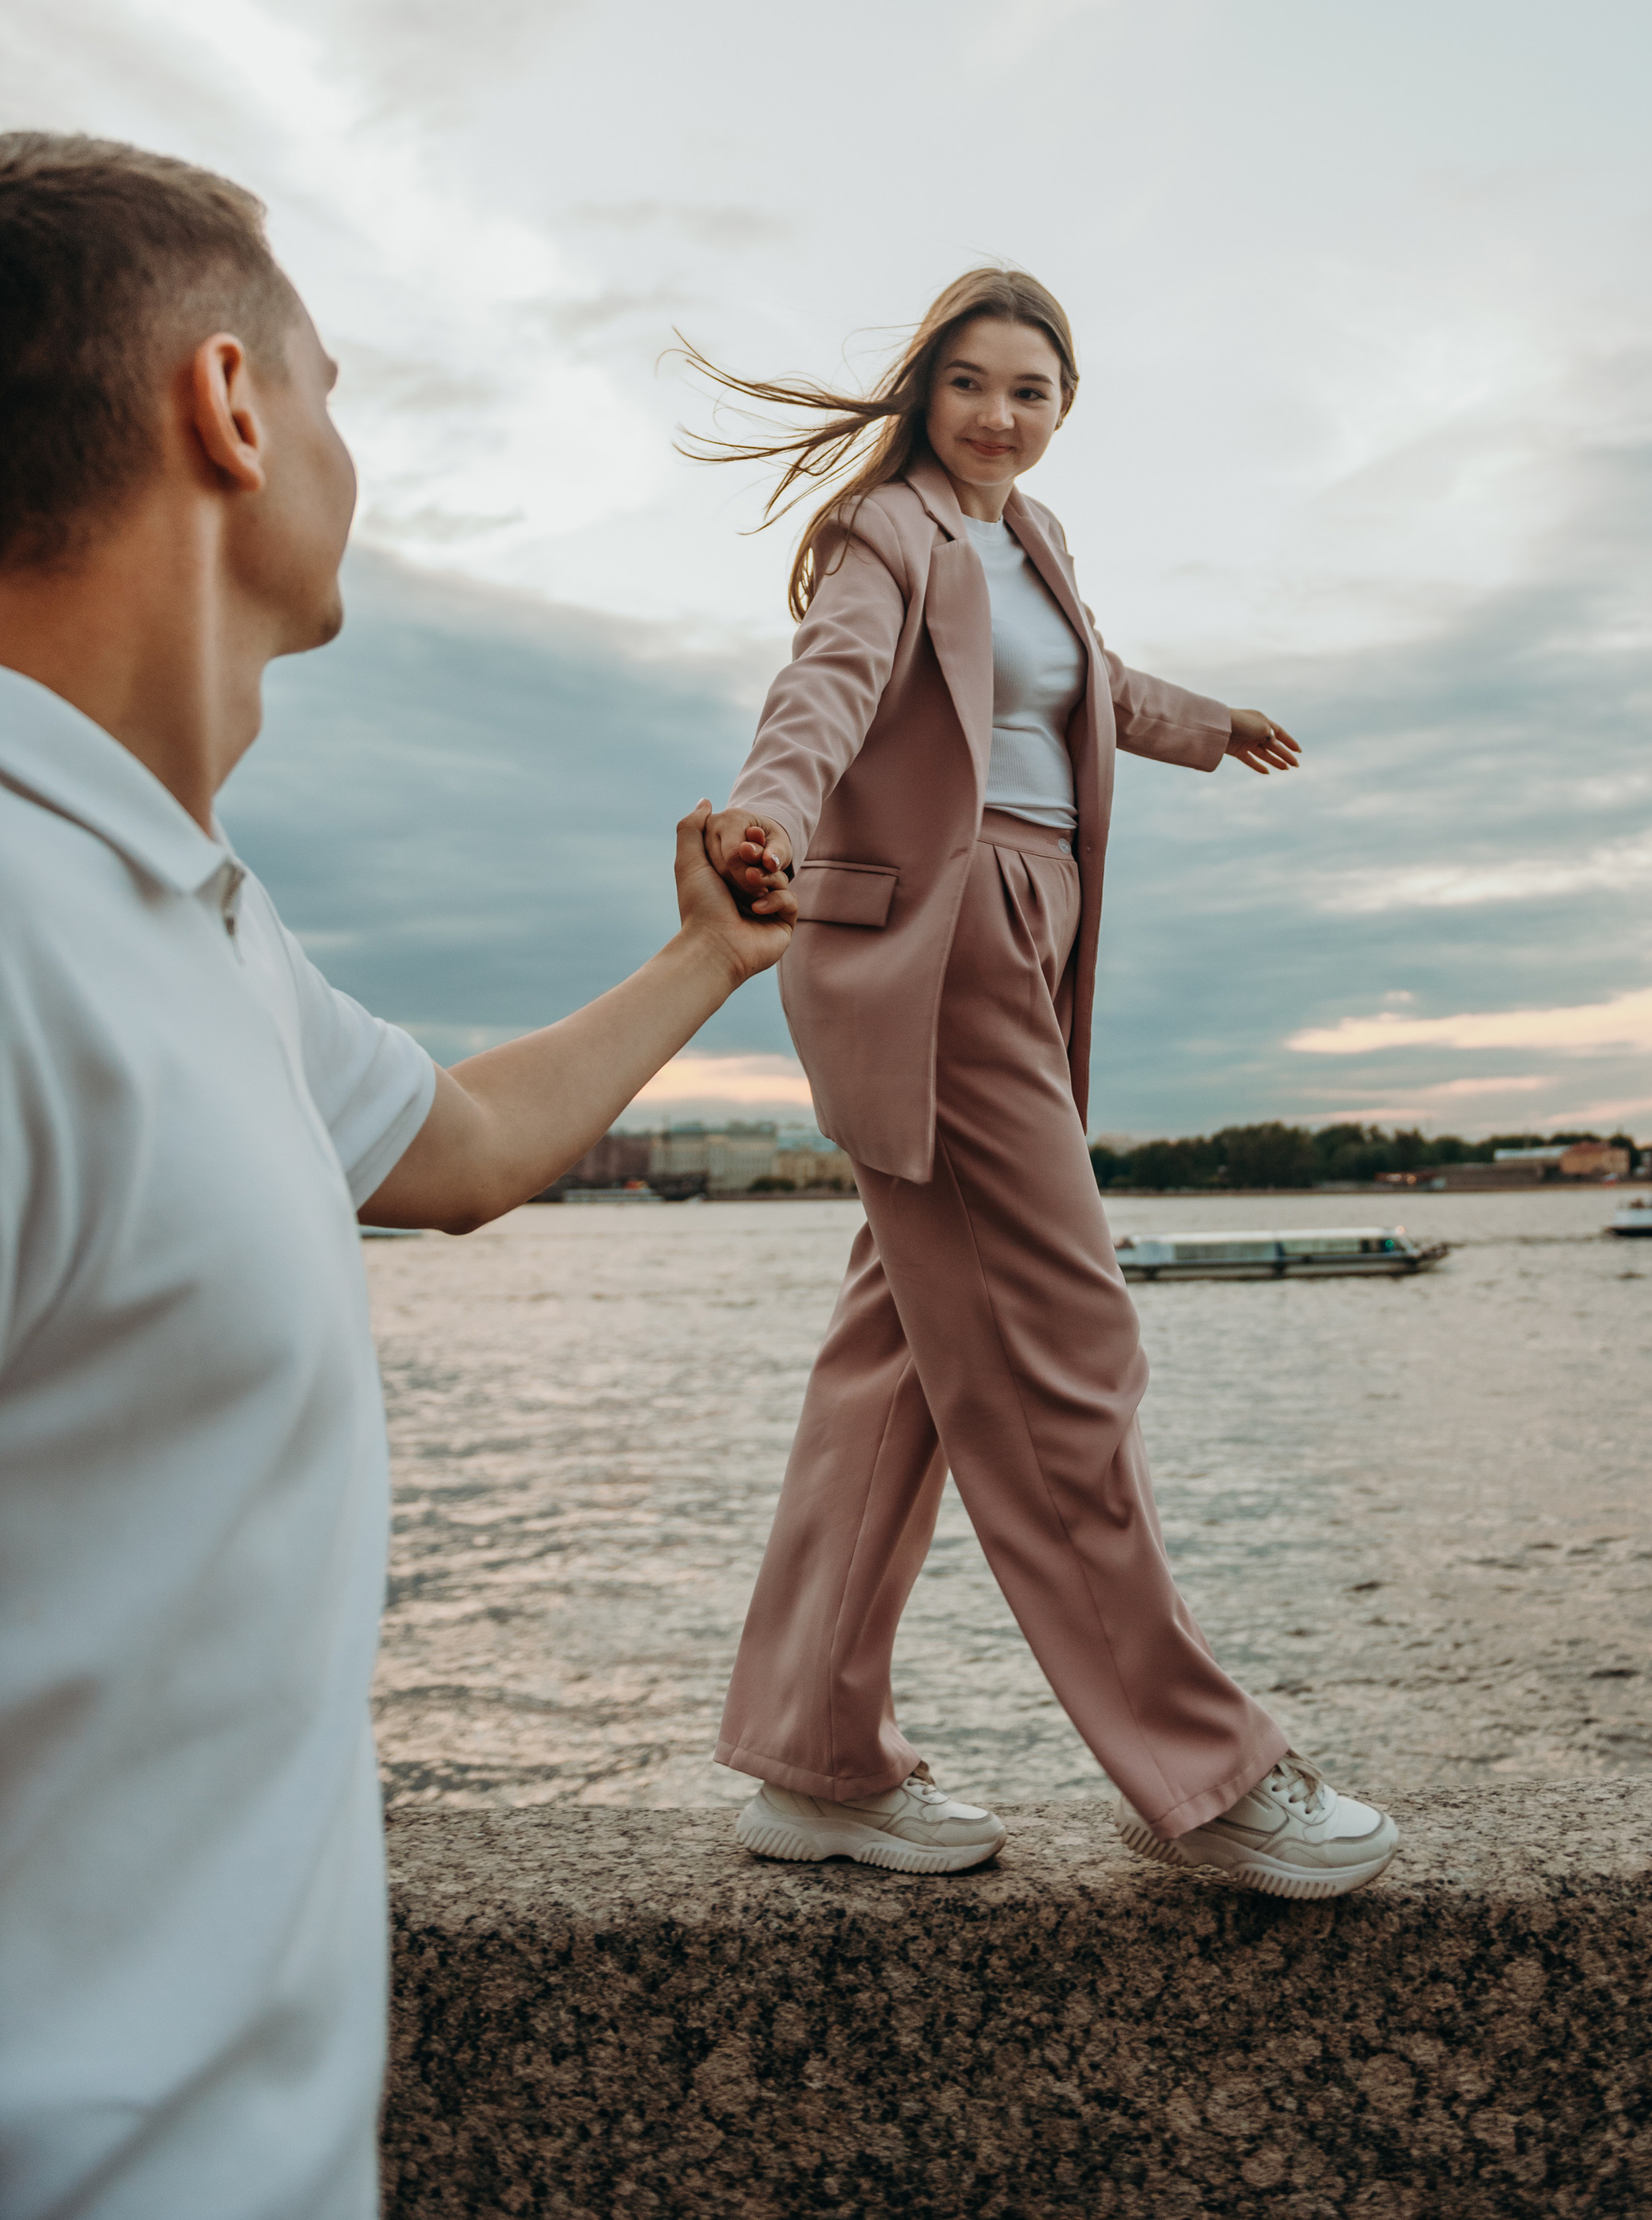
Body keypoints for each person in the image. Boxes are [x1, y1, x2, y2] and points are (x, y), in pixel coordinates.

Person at [0, 133, 793, 2220]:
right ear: (231, 403)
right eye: (338, 385)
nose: (357, 442)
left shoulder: (197, 928)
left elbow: (456, 1142)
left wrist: (705, 961)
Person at [687, 267, 1399, 1900]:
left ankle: (814, 1762)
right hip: (937, 950)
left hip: (1023, 936)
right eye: (971, 385)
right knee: (1061, 1340)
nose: (1000, 415)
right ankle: (1207, 1772)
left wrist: (1206, 726)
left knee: (899, 1363)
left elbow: (1080, 687)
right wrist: (765, 818)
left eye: (1033, 392)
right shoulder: (890, 537)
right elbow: (829, 691)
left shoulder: (1034, 541)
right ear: (921, 393)